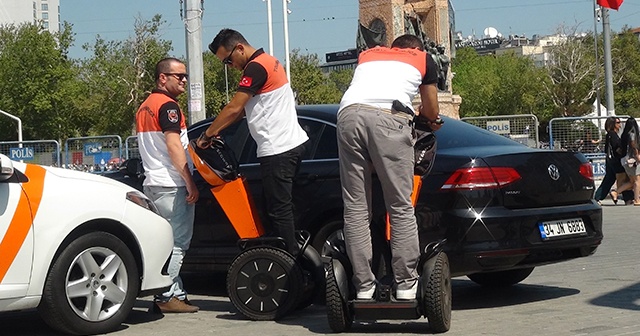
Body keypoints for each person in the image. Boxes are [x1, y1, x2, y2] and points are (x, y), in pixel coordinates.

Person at [337, 34, 443, 301]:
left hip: (348, 116)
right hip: (389, 118)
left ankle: (363, 286)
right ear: (416, 50)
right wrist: (427, 119)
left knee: (356, 208)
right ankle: (406, 285)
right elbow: (431, 110)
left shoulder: (368, 55)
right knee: (399, 206)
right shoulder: (423, 59)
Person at [197, 29, 309, 255]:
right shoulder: (270, 61)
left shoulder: (255, 67)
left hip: (277, 149)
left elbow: (234, 107)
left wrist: (206, 136)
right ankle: (294, 260)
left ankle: (293, 266)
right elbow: (242, 112)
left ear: (239, 48)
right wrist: (221, 128)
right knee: (282, 209)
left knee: (279, 212)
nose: (230, 66)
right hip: (291, 143)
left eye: (228, 60)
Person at [136, 57, 200, 313]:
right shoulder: (168, 106)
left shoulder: (145, 107)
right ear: (163, 78)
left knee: (163, 243)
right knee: (178, 244)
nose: (184, 80)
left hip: (153, 183)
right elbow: (174, 146)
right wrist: (189, 181)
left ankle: (175, 292)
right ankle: (165, 296)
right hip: (172, 185)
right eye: (179, 76)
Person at [619, 117, 640, 205]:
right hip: (632, 160)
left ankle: (615, 192)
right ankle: (637, 200)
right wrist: (637, 157)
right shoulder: (632, 134)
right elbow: (634, 146)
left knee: (632, 181)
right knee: (636, 181)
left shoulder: (624, 135)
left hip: (624, 160)